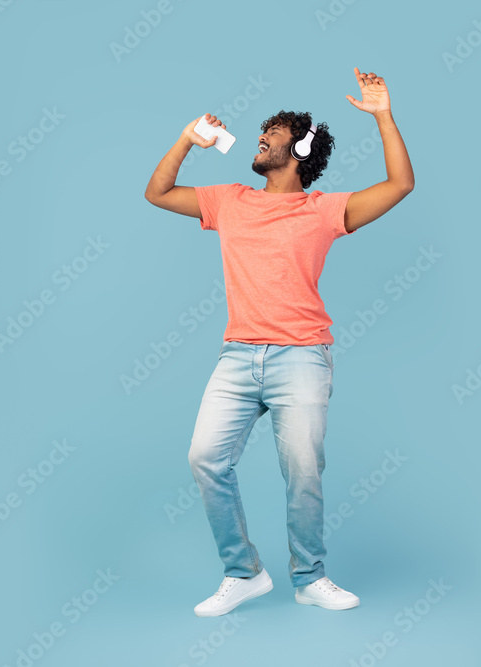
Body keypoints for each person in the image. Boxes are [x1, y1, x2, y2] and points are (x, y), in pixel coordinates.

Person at [144, 67, 414, 617]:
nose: (261, 134)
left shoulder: (324, 210)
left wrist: (384, 116)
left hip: (302, 357)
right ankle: (243, 573)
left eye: (275, 130)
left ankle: (310, 577)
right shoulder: (229, 200)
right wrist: (185, 141)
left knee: (302, 472)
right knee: (205, 459)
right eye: (263, 128)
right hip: (237, 356)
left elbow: (400, 185)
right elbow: (158, 193)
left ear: (302, 148)